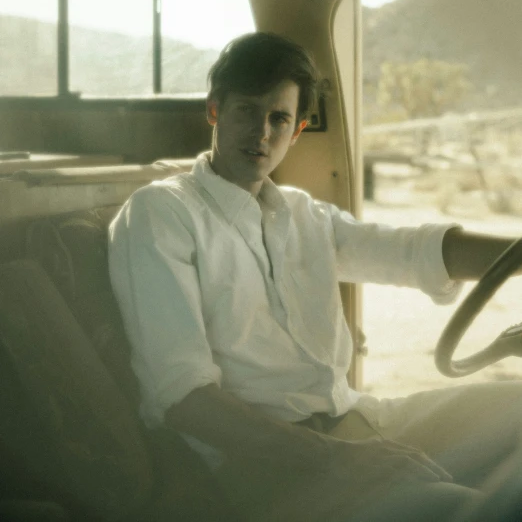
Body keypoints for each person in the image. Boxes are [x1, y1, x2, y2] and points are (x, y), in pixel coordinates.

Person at [109, 32, 522, 522]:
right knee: (475, 512)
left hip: (357, 421)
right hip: (262, 467)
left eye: (279, 118)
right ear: (215, 111)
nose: (262, 133)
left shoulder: (304, 215)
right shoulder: (162, 213)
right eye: (246, 110)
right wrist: (340, 462)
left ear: (298, 129)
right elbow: (184, 398)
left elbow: (411, 252)